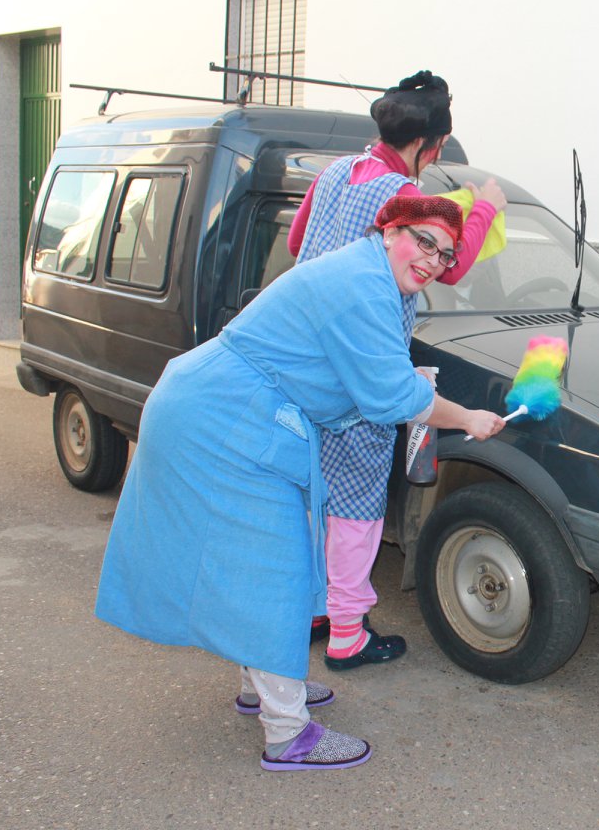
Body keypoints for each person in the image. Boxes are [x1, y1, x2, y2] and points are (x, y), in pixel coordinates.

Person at [94, 195, 507, 771]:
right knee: (274, 569)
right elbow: (390, 396)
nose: (434, 260)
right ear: (389, 231)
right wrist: (466, 417)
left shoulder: (370, 274)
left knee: (252, 564)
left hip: (228, 409)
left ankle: (260, 684)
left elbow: (360, 370)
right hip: (222, 419)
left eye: (446, 253)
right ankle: (288, 733)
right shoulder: (365, 285)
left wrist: (401, 382)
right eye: (424, 241)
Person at [287, 70, 507, 668]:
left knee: (310, 493)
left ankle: (312, 609)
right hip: (362, 366)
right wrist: (486, 206)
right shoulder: (401, 196)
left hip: (304, 366)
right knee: (356, 503)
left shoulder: (332, 173)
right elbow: (451, 266)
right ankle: (347, 633)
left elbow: (296, 245)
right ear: (427, 145)